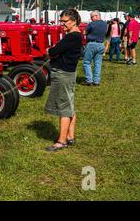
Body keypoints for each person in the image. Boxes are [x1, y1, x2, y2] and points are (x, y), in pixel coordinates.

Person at [44, 8, 83, 152]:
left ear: (73, 21)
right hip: (69, 73)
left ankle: (61, 141)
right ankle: (70, 136)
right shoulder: (76, 35)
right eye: (61, 21)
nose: (62, 24)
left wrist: (49, 51)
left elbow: (55, 51)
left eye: (64, 21)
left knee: (64, 108)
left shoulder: (72, 36)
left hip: (64, 74)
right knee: (69, 104)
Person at [83, 10, 107, 86]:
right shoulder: (105, 24)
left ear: (96, 16)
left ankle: (89, 80)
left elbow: (84, 32)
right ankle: (96, 81)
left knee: (87, 62)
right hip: (101, 44)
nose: (91, 19)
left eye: (91, 17)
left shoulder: (91, 24)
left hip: (91, 44)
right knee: (98, 63)